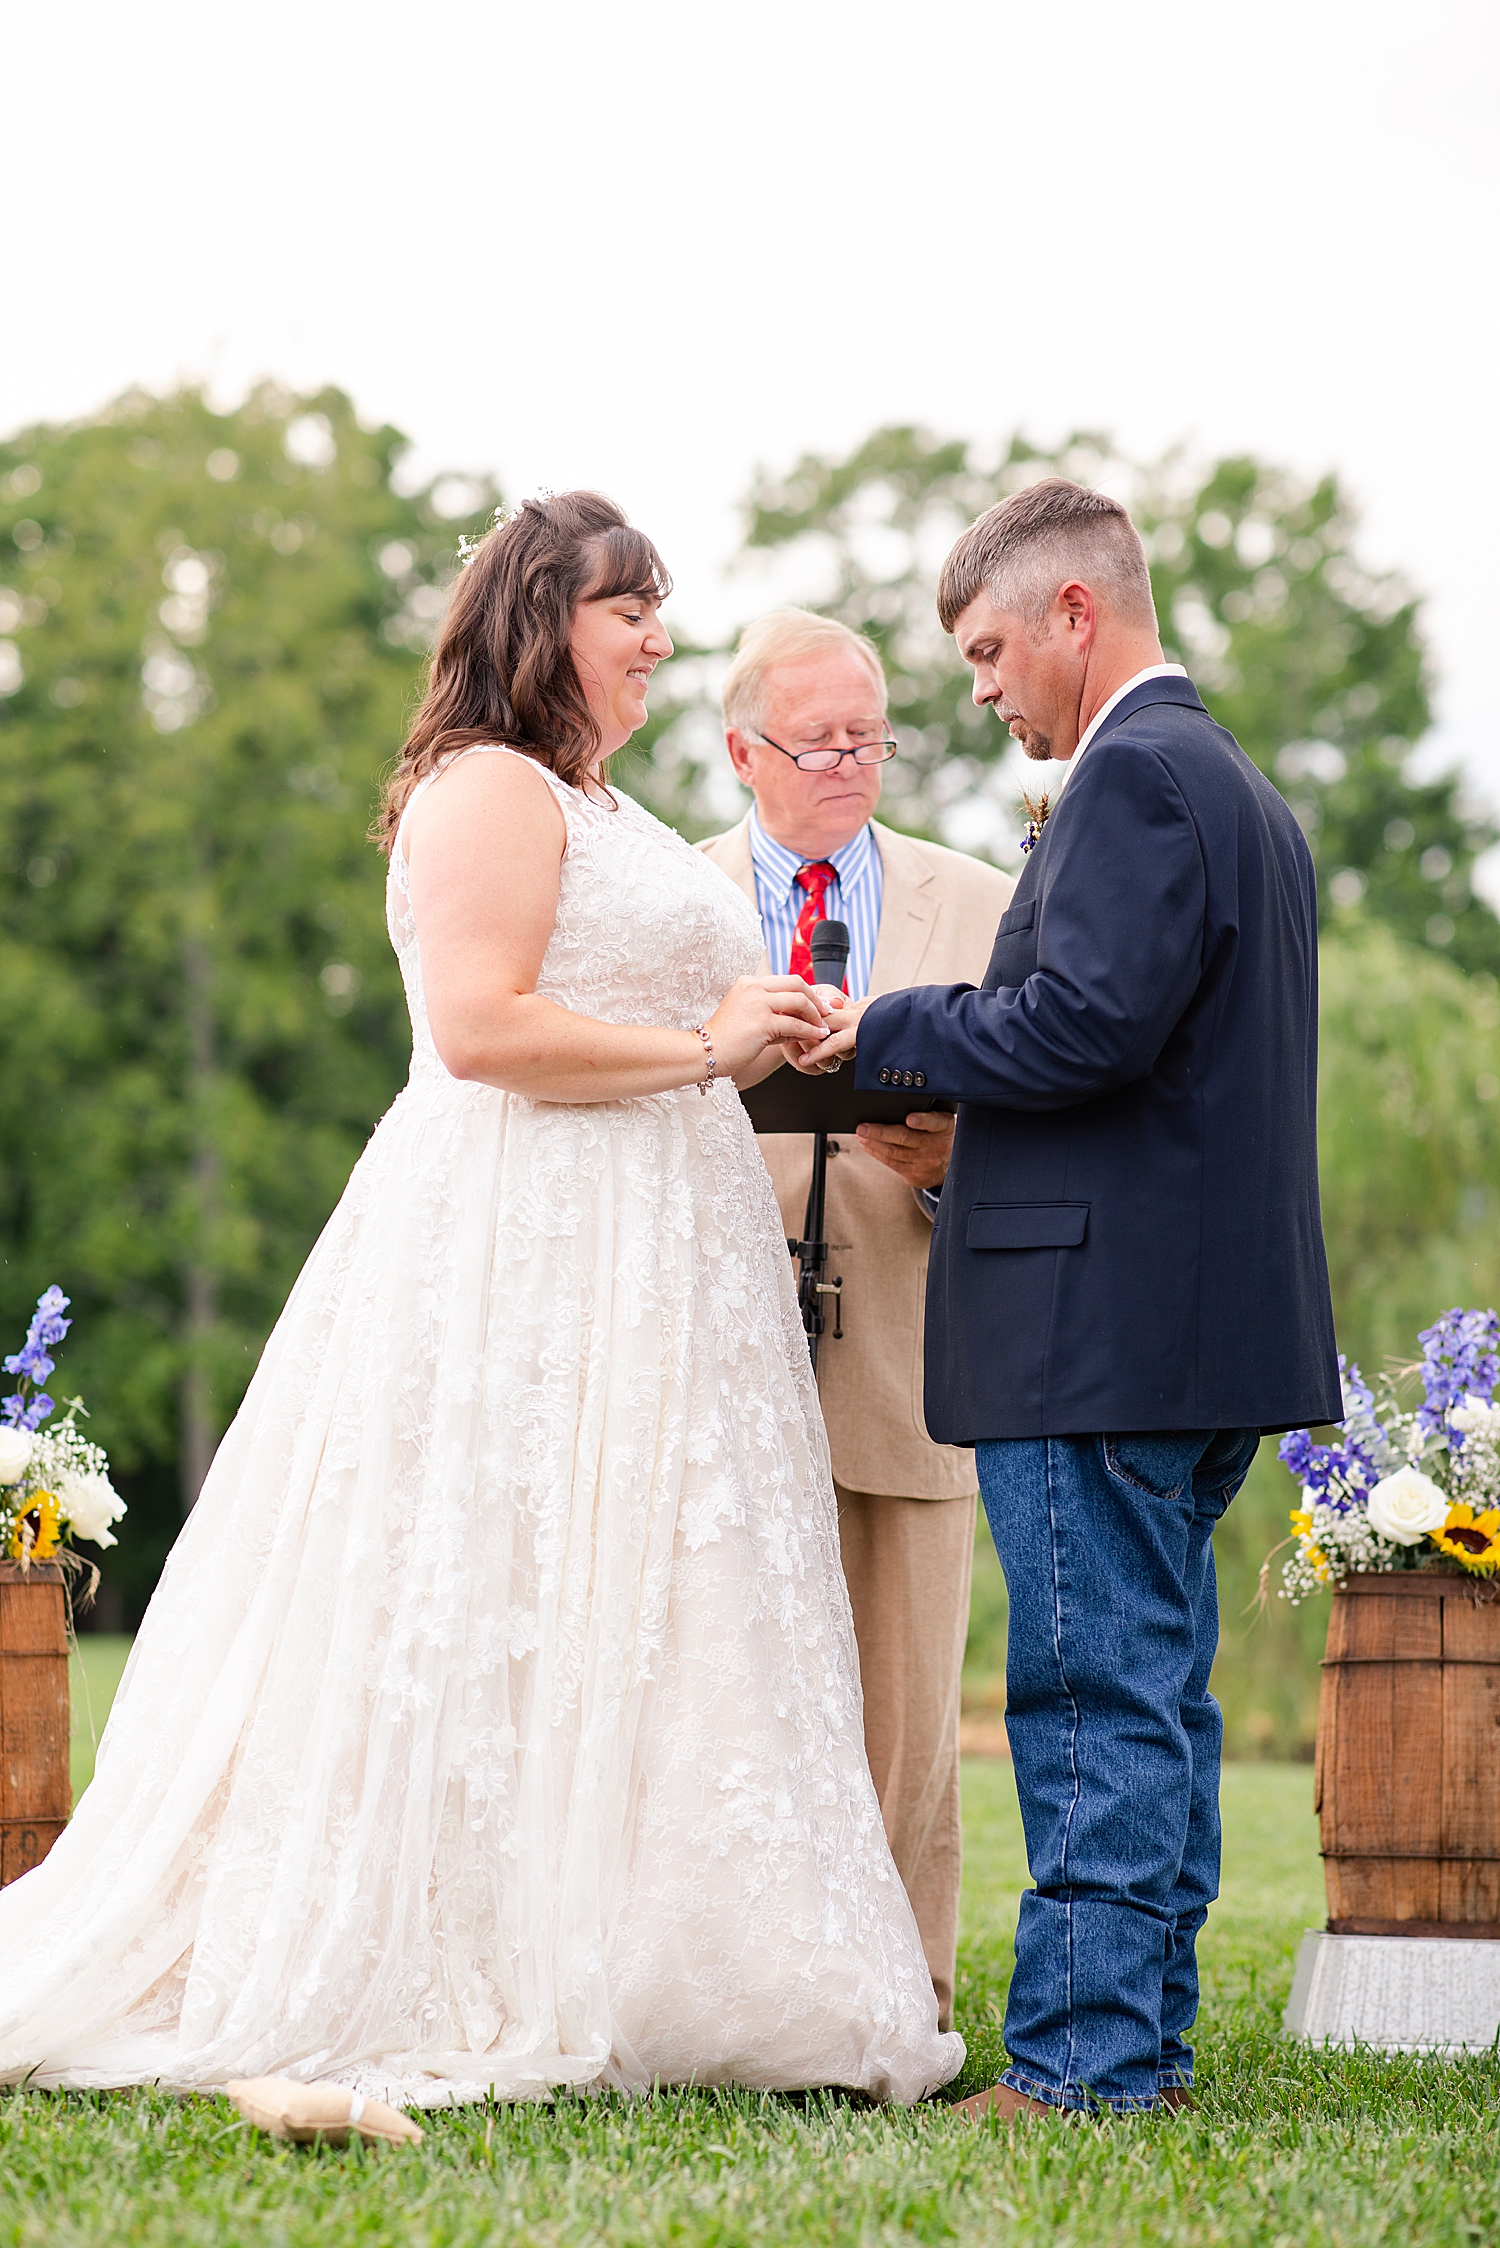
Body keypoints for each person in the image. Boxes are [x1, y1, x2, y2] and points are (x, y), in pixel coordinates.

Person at [0, 493, 963, 2113]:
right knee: (487, 1576)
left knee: (645, 1605)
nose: (658, 634)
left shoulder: (603, 802)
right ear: (541, 623)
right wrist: (701, 1054)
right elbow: (481, 1030)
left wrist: (758, 1020)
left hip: (658, 1262)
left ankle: (649, 1946)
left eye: (659, 607)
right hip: (532, 1244)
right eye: (626, 608)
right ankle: (460, 1946)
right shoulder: (488, 788)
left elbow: (630, 991)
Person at [797, 479, 1339, 2119]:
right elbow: (1149, 1069)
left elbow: (1083, 1027)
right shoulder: (1236, 787)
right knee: (1152, 1689)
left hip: (1098, 1340)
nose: (978, 688)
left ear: (1076, 616)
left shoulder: (1140, 782)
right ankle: (1141, 2042)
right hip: (1190, 1325)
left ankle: (1088, 2066)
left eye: (987, 649)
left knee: (1092, 1695)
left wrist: (882, 1032)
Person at [698, 610, 1012, 2028]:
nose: (847, 764)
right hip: (713, 1352)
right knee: (723, 1697)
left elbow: (1051, 1106)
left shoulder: (986, 900)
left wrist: (970, 1164)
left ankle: (902, 2000)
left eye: (868, 739)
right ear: (739, 751)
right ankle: (730, 2000)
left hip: (912, 1349)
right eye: (815, 742)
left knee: (907, 1723)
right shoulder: (672, 901)